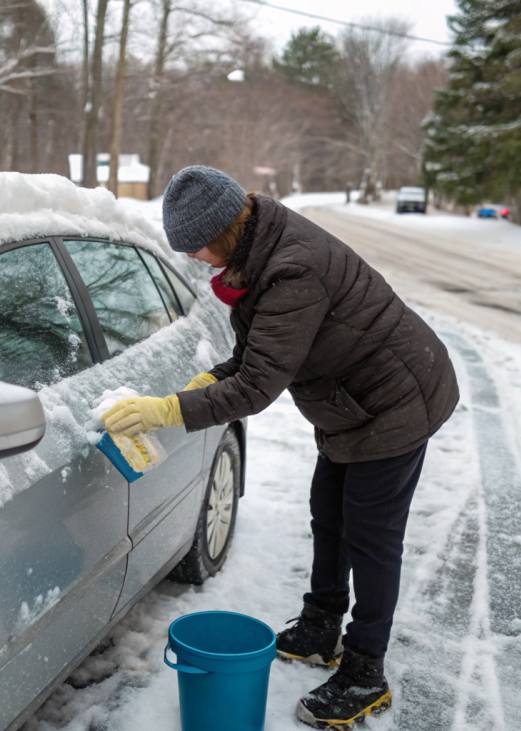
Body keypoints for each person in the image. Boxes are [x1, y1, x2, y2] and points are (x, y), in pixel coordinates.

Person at [102, 166, 460, 728]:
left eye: (195, 246)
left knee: (370, 536)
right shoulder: (259, 249)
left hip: (396, 400)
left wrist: (168, 410)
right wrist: (207, 382)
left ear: (222, 231)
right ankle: (321, 627)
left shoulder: (293, 268)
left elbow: (257, 386)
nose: (193, 257)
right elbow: (257, 352)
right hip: (350, 403)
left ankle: (365, 671)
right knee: (329, 513)